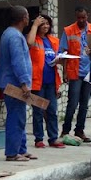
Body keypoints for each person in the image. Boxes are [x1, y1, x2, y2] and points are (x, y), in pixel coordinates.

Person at [0, 6, 37, 162]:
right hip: (14, 85)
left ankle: (21, 149)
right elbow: (18, 61)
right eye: (27, 16)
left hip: (11, 83)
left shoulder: (10, 33)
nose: (28, 19)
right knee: (16, 117)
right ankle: (12, 153)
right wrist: (25, 83)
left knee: (20, 117)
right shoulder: (14, 37)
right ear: (23, 18)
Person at [26, 15, 65, 149]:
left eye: (47, 24)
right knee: (37, 111)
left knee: (52, 111)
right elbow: (29, 44)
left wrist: (60, 59)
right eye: (43, 24)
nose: (46, 26)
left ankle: (53, 138)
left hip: (51, 82)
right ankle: (38, 139)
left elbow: (58, 56)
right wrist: (34, 26)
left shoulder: (53, 40)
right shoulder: (33, 39)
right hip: (37, 82)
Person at [60, 6, 91, 142]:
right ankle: (65, 130)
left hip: (88, 73)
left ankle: (79, 130)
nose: (81, 20)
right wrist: (64, 72)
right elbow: (63, 53)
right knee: (72, 103)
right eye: (78, 18)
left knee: (84, 104)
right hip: (75, 73)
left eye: (83, 17)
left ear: (88, 15)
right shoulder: (69, 31)